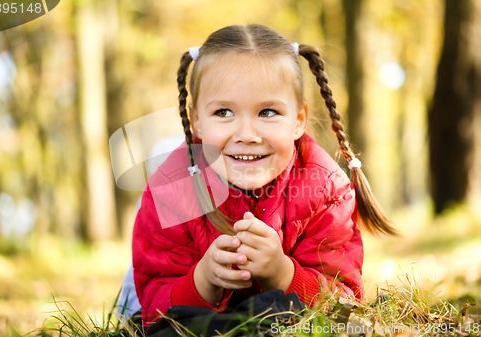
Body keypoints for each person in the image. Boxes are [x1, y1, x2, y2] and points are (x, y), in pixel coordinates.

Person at [132, 24, 398, 329]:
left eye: (267, 112)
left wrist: (282, 273)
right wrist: (203, 279)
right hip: (175, 274)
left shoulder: (326, 191)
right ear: (197, 122)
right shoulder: (171, 190)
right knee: (134, 299)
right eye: (223, 112)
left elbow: (344, 304)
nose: (247, 135)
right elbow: (154, 307)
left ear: (298, 121)